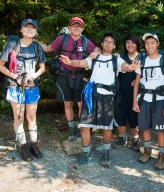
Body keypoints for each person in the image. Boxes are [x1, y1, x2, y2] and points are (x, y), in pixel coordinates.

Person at [59, 32, 140, 169]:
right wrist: (70, 62)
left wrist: (131, 67)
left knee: (106, 127)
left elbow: (125, 66)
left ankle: (105, 152)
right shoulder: (94, 58)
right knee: (85, 125)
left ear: (114, 46)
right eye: (106, 41)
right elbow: (81, 62)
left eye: (111, 42)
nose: (108, 44)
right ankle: (86, 154)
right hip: (90, 95)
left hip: (108, 97)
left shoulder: (117, 60)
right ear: (101, 44)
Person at [39, 17, 99, 141]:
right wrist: (33, 40)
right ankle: (72, 130)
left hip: (79, 76)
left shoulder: (85, 41)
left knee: (81, 104)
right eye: (74, 26)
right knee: (68, 103)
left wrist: (95, 54)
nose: (76, 28)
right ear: (70, 27)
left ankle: (84, 128)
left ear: (83, 28)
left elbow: (97, 50)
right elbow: (48, 48)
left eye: (79, 26)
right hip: (63, 75)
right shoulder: (63, 39)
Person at [0, 18, 47, 162]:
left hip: (32, 87)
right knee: (19, 117)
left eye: (32, 28)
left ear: (36, 31)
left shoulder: (37, 47)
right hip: (15, 86)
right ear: (21, 30)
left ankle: (34, 145)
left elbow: (42, 68)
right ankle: (23, 147)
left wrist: (34, 76)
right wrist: (16, 77)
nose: (29, 30)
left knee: (32, 117)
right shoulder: (13, 44)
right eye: (26, 27)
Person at [133, 33, 164, 170]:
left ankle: (161, 156)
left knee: (160, 130)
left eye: (152, 43)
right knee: (145, 128)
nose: (150, 46)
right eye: (147, 43)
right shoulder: (141, 61)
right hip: (144, 99)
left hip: (160, 100)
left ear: (158, 44)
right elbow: (137, 83)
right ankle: (147, 151)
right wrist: (135, 102)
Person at [113, 34, 146, 151]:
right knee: (119, 115)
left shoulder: (143, 57)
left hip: (137, 94)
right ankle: (122, 138)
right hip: (121, 92)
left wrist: (139, 79)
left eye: (133, 42)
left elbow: (150, 74)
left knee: (135, 118)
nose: (130, 45)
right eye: (127, 42)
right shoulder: (120, 56)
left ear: (137, 44)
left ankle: (135, 139)